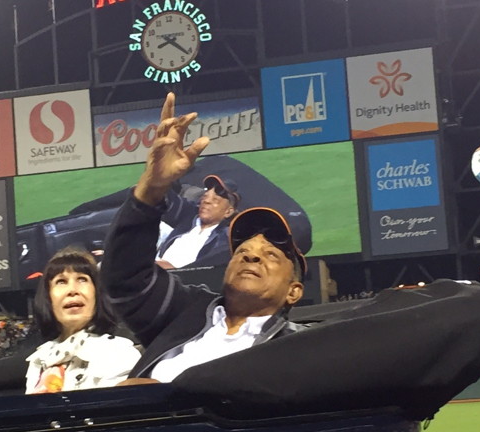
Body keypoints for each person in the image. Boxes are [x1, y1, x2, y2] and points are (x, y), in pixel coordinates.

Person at [101, 92, 307, 384]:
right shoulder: (187, 312)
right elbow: (125, 279)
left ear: (294, 291)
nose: (251, 255)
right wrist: (153, 186)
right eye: (242, 251)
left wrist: (160, 398)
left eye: (270, 255)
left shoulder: (302, 347)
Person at [25, 247, 141, 394]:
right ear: (48, 297)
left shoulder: (118, 352)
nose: (72, 290)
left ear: (97, 294)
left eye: (82, 279)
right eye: (61, 281)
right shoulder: (39, 359)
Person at [156, 174, 240, 269]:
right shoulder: (188, 215)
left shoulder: (225, 239)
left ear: (228, 212)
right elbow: (167, 199)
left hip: (182, 279)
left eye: (215, 199)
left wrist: (174, 270)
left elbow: (209, 270)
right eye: (205, 196)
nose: (206, 201)